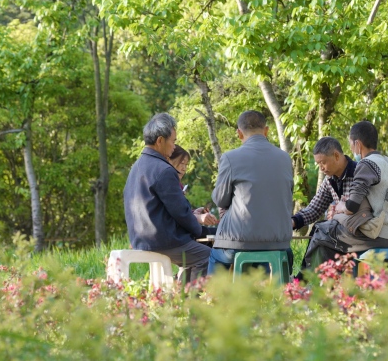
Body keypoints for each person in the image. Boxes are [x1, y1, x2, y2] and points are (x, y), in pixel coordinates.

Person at [293, 121, 388, 269]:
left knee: (321, 230)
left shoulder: (365, 166)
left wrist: (340, 208)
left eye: (350, 144)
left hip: (378, 233)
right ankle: (323, 284)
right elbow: (314, 208)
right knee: (327, 235)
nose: (321, 168)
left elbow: (353, 206)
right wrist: (294, 221)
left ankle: (308, 282)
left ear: (357, 144)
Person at [123, 113, 211, 282]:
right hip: (162, 240)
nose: (174, 147)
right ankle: (193, 304)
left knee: (196, 253)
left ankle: (181, 298)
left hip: (140, 239)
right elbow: (180, 212)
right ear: (160, 141)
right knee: (207, 255)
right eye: (173, 141)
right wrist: (200, 230)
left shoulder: (136, 166)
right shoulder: (163, 170)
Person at [208, 110, 294, 274]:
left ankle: (212, 298)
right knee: (263, 260)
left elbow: (220, 200)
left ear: (239, 133)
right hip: (279, 242)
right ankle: (266, 296)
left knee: (216, 256)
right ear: (266, 131)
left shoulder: (230, 158)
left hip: (240, 240)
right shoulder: (284, 158)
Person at [168, 145, 218, 227]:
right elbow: (176, 214)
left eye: (186, 165)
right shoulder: (167, 184)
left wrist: (194, 213)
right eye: (182, 163)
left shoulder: (179, 184)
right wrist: (198, 218)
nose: (184, 168)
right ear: (169, 160)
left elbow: (181, 211)